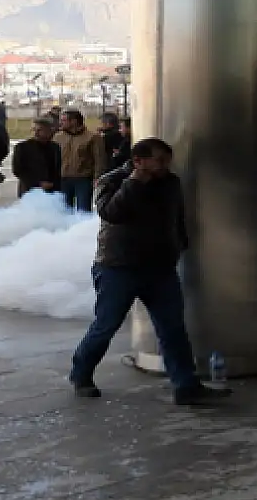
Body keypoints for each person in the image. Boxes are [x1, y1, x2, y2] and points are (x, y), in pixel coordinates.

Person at [69, 138, 231, 406]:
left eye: (167, 161)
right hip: (118, 268)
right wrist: (134, 182)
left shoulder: (171, 183)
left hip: (160, 269)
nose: (165, 166)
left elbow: (177, 218)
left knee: (173, 330)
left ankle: (185, 385)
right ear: (138, 161)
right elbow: (111, 212)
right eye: (159, 161)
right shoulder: (112, 181)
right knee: (105, 326)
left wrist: (179, 246)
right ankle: (81, 374)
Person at [54, 110, 107, 212]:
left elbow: (99, 160)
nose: (61, 123)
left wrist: (98, 178)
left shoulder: (93, 137)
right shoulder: (58, 137)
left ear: (74, 121)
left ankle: (83, 228)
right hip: (63, 179)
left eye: (64, 120)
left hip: (83, 179)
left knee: (83, 210)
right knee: (63, 211)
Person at [12, 118, 63, 197]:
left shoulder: (55, 147)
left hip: (51, 191)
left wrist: (53, 183)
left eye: (39, 130)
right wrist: (38, 183)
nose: (36, 133)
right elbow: (18, 170)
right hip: (29, 191)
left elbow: (58, 169)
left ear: (49, 131)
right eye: (34, 130)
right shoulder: (22, 147)